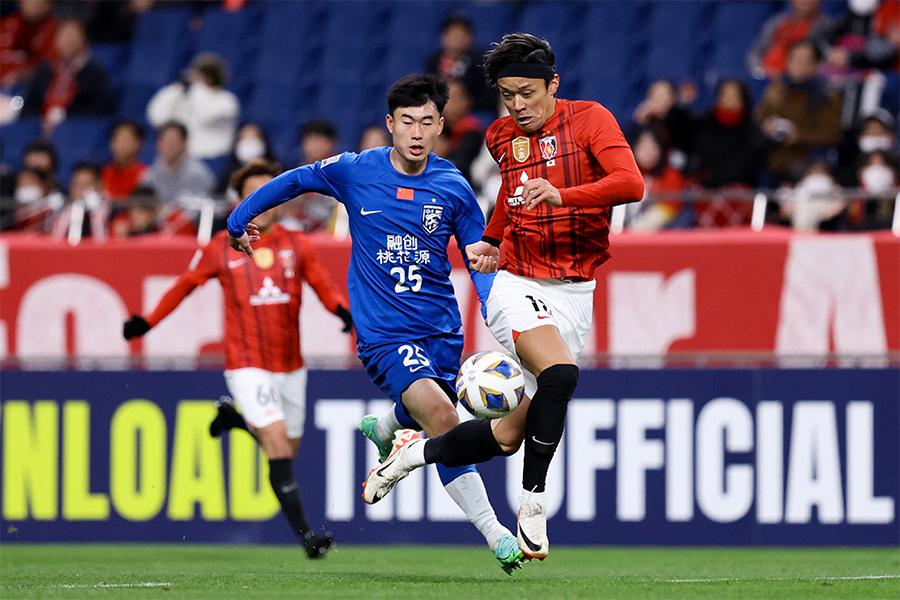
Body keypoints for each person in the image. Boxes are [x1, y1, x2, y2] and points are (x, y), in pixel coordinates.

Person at [226, 74, 526, 575]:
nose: (416, 132)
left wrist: (499, 317)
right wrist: (240, 217)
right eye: (407, 121)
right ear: (390, 124)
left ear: (441, 126)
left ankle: (386, 427)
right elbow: (295, 180)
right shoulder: (355, 170)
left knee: (432, 415)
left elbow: (479, 260)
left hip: (442, 333)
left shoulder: (453, 186)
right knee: (445, 420)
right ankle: (496, 534)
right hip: (385, 336)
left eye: (427, 122)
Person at [361, 33, 644, 561]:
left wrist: (563, 195)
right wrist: (493, 241)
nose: (517, 105)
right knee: (561, 375)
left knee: (509, 436)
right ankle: (533, 504)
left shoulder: (591, 120)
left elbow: (631, 184)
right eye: (507, 94)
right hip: (518, 283)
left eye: (527, 93)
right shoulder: (500, 136)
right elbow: (512, 198)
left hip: (575, 291)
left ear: (553, 85)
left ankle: (411, 456)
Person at [122, 159, 349, 558]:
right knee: (276, 443)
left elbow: (323, 286)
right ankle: (308, 538)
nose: (263, 203)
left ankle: (234, 419)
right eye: (253, 195)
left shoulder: (298, 244)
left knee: (286, 450)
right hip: (247, 364)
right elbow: (184, 286)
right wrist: (147, 321)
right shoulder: (220, 247)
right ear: (240, 201)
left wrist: (343, 313)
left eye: (270, 194)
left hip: (291, 366)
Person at [755, 40, 844, 184]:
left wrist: (799, 135)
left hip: (806, 160)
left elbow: (833, 134)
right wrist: (766, 126)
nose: (798, 64)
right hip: (771, 156)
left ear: (815, 65)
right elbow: (757, 121)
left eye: (804, 60)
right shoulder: (774, 92)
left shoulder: (826, 97)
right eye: (795, 59)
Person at [21, 18, 116, 134]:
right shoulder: (45, 69)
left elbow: (103, 105)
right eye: (65, 36)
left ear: (83, 40)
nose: (69, 41)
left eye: (73, 36)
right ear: (56, 40)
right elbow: (30, 102)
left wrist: (70, 121)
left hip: (77, 131)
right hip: (41, 129)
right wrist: (37, 123)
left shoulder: (95, 72)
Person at [146, 52, 240, 159]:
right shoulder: (186, 96)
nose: (193, 80)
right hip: (181, 158)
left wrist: (198, 88)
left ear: (211, 78)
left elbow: (205, 115)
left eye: (199, 77)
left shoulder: (228, 100)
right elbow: (157, 118)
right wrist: (176, 89)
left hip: (213, 159)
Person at [425, 13, 495, 114]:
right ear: (443, 36)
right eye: (452, 33)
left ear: (470, 37)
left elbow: (487, 97)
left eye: (461, 33)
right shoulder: (433, 62)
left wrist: (461, 104)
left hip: (470, 114)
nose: (457, 37)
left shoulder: (481, 62)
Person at [747, 0, 833, 79]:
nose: (806, 1)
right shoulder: (776, 22)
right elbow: (756, 51)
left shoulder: (827, 26)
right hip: (767, 77)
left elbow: (827, 56)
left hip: (801, 80)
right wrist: (761, 72)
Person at [141, 120, 215, 208]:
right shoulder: (150, 175)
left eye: (174, 141)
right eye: (166, 141)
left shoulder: (198, 175)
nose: (169, 146)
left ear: (184, 143)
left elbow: (198, 209)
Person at [0, 0, 57, 90]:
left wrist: (24, 74)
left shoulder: (54, 30)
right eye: (29, 1)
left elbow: (49, 64)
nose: (33, 6)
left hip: (26, 87)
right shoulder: (6, 23)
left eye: (38, 3)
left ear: (48, 6)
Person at [49, 160, 109, 241]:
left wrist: (96, 212)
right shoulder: (61, 213)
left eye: (86, 184)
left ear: (100, 186)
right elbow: (55, 240)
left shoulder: (112, 213)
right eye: (77, 184)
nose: (81, 190)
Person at [102, 119, 148, 203]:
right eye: (118, 138)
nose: (122, 144)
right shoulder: (102, 174)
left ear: (138, 143)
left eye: (127, 139)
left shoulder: (146, 176)